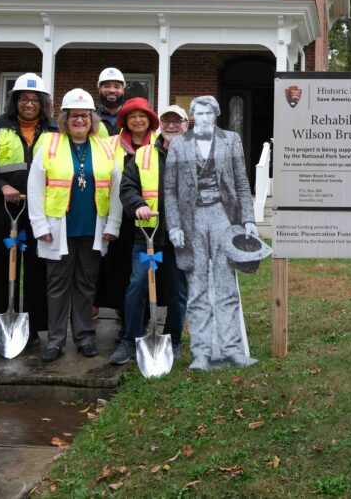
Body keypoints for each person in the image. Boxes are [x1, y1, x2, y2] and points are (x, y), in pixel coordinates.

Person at [165, 96, 259, 370]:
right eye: (198, 114)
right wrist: (174, 225)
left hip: (222, 216)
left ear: (216, 115)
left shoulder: (231, 140)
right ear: (192, 117)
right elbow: (169, 189)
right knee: (197, 288)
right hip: (191, 218)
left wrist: (248, 219)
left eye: (208, 114)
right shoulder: (179, 145)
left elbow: (242, 181)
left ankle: (233, 350)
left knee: (226, 285)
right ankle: (201, 353)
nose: (204, 118)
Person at [28, 88, 122, 361]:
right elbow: (34, 186)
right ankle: (55, 341)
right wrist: (39, 226)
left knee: (86, 285)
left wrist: (113, 225)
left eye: (85, 115)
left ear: (93, 119)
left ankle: (84, 337)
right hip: (58, 227)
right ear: (65, 118)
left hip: (93, 227)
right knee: (57, 286)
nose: (80, 120)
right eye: (74, 115)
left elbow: (115, 189)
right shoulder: (49, 144)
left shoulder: (106, 146)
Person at [0, 73, 58, 347]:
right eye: (24, 98)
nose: (29, 104)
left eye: (35, 99)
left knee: (36, 270)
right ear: (15, 101)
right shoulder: (0, 127)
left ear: (43, 102)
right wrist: (1, 187)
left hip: (39, 212)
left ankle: (33, 327)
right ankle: (1, 325)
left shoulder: (53, 131)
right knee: (1, 270)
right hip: (3, 212)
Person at [109, 104, 191, 365]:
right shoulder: (143, 155)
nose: (171, 125)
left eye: (177, 121)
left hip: (180, 241)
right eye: (167, 121)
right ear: (161, 125)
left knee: (178, 292)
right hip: (147, 239)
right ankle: (129, 341)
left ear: (186, 126)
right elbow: (127, 187)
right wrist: (138, 206)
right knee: (136, 288)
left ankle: (173, 341)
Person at [95, 97, 159, 323]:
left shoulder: (159, 142)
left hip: (150, 217)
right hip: (119, 213)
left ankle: (146, 317)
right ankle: (125, 316)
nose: (138, 120)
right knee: (120, 268)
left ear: (150, 119)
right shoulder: (111, 143)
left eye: (143, 116)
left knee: (147, 269)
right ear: (125, 120)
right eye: (133, 116)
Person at [96, 67, 126, 138]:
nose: (112, 90)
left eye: (116, 86)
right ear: (99, 90)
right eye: (107, 86)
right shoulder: (90, 117)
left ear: (123, 91)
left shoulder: (131, 116)